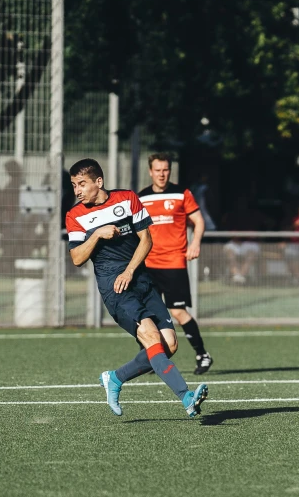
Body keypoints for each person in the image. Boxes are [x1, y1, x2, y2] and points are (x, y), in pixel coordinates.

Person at [65, 158, 208, 417]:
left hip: (140, 279)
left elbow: (146, 240)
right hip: (114, 287)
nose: (77, 190)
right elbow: (76, 258)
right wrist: (96, 234)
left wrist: (131, 270)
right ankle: (186, 397)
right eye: (74, 185)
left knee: (169, 345)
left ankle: (115, 378)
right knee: (152, 338)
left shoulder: (128, 198)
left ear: (99, 182)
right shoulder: (75, 215)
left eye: (82, 184)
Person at [138, 153, 213, 375]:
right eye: (158, 170)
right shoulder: (141, 198)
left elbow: (199, 220)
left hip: (173, 263)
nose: (162, 174)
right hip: (148, 264)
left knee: (178, 312)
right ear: (150, 171)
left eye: (165, 170)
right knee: (148, 314)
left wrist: (195, 242)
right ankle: (154, 357)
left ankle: (203, 354)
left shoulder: (182, 194)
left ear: (170, 171)